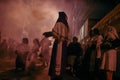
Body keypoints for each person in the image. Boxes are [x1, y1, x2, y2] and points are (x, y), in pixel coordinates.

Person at [48, 11, 69, 80]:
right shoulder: (66, 26)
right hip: (64, 45)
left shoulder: (59, 23)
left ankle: (56, 74)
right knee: (61, 58)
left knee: (57, 58)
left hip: (59, 43)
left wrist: (50, 33)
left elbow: (54, 33)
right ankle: (60, 73)